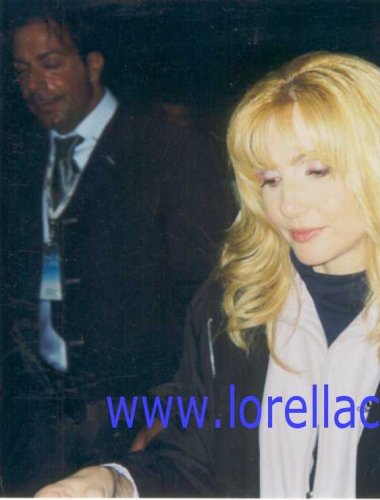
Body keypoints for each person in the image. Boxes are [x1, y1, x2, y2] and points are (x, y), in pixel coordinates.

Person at [36, 51, 380, 497]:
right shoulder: (230, 308)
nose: (288, 204)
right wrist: (116, 482)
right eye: (270, 179)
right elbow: (193, 466)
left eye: (317, 171)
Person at [2, 4, 234, 493]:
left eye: (50, 64)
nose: (34, 85)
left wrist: (173, 408)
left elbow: (210, 293)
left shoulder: (169, 150)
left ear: (93, 64)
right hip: (33, 429)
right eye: (22, 71)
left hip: (134, 423)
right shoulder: (19, 155)